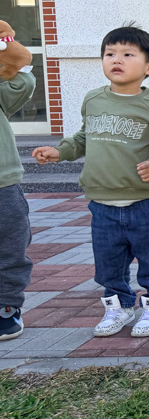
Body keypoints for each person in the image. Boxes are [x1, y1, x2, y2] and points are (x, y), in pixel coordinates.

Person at [32, 25, 149, 338]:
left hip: (147, 202)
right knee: (108, 263)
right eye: (109, 54)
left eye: (127, 54)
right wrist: (61, 151)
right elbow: (84, 137)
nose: (116, 59)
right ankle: (119, 306)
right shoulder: (94, 99)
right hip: (102, 203)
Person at [0, 21, 36, 340]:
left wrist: (8, 48)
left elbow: (22, 82)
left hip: (2, 183)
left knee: (11, 244)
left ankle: (6, 305)